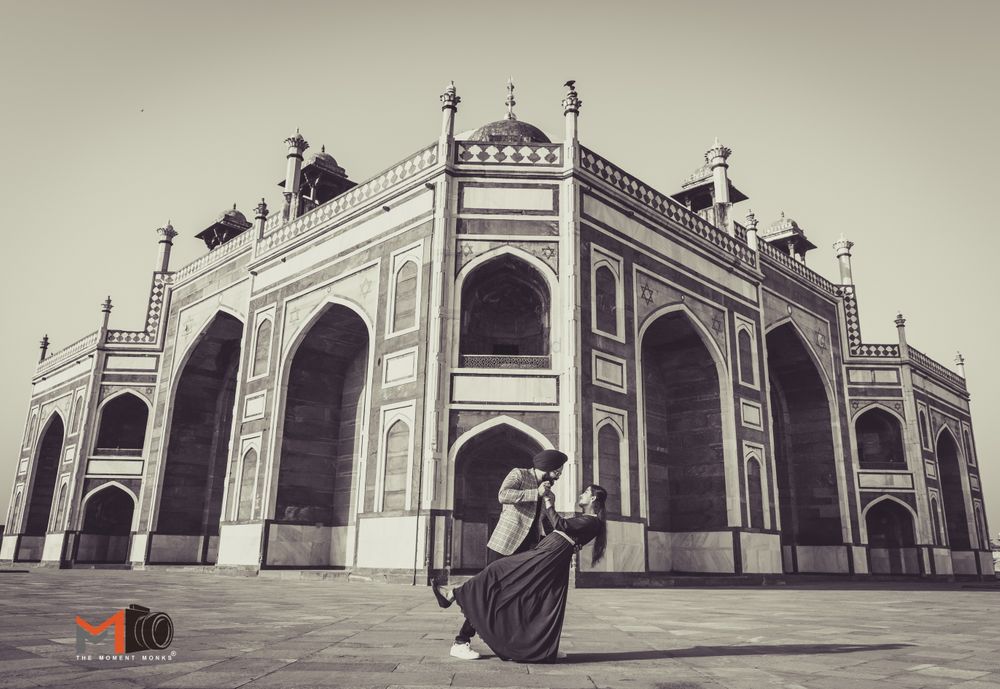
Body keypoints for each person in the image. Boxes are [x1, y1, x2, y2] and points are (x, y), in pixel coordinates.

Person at [434, 484, 608, 664]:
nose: (582, 494)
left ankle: (453, 597)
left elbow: (560, 524)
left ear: (594, 498)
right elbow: (555, 530)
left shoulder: (592, 520)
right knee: (518, 591)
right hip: (546, 556)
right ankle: (456, 606)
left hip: (547, 559)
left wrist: (549, 504)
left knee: (515, 587)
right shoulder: (586, 520)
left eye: (586, 492)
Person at [446, 449, 568, 659]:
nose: (560, 474)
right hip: (505, 544)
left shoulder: (549, 492)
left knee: (524, 596)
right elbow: (503, 495)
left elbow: (547, 521)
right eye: (558, 470)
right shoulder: (520, 475)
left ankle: (526, 647)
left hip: (531, 549)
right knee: (490, 593)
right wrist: (534, 493)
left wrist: (564, 540)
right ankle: (461, 641)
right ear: (548, 467)